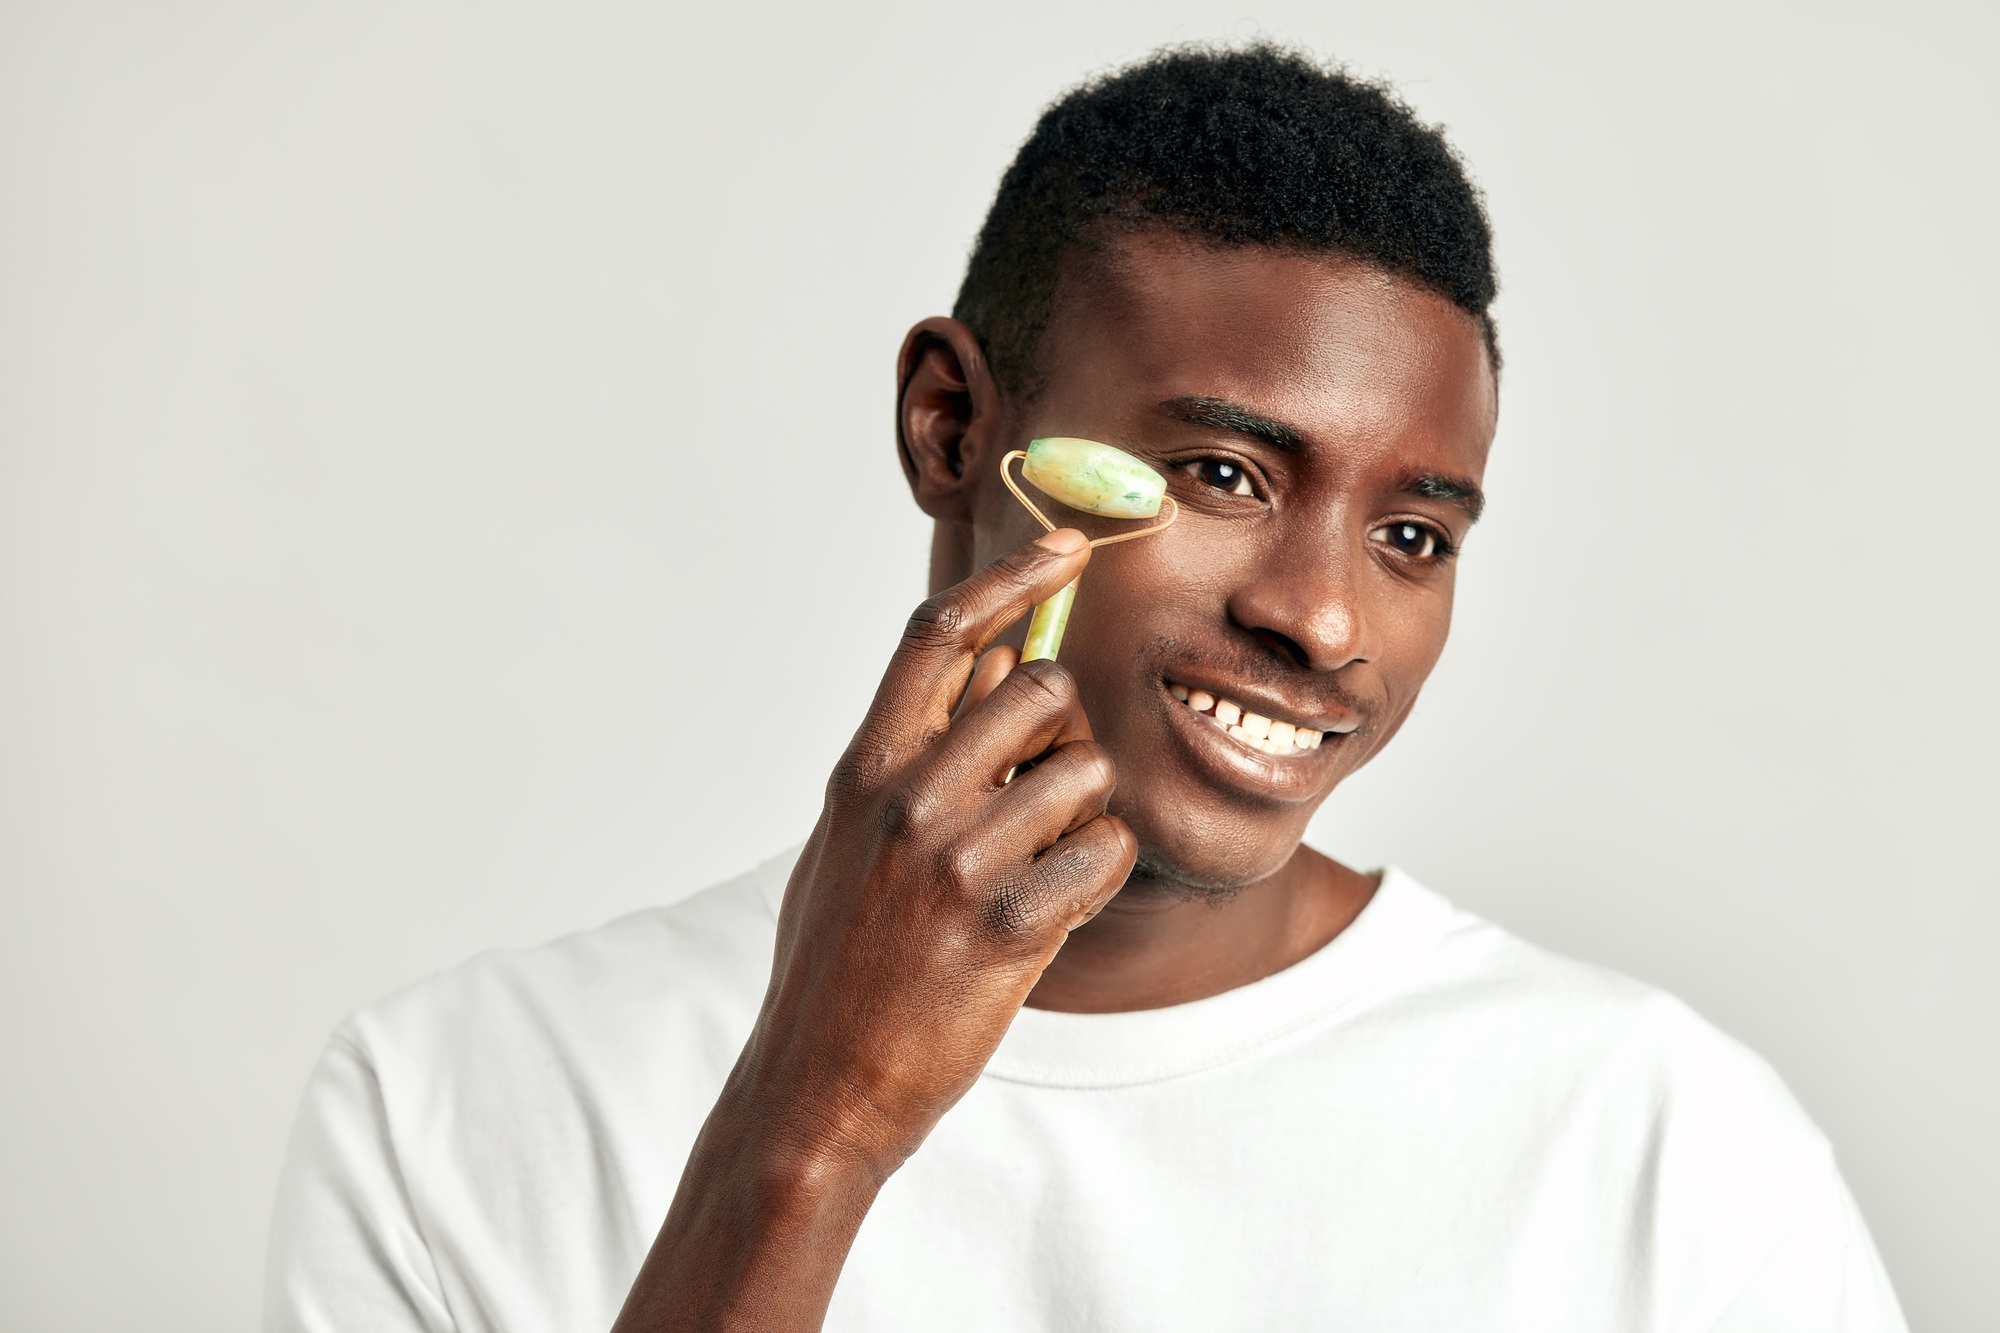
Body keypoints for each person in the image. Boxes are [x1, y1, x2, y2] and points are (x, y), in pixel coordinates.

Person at [265, 45, 1906, 1332]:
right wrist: (812, 1128)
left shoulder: (1660, 1150)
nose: (1327, 619)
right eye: (1220, 472)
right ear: (949, 426)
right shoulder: (451, 1106)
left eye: (1413, 532)